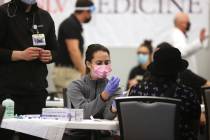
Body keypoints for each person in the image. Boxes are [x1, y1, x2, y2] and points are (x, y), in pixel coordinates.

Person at [0, 0, 57, 140]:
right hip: (8, 93)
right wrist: (19, 55)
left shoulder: (44, 16)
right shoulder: (3, 13)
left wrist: (49, 56)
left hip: (36, 93)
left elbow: (55, 50)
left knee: (35, 136)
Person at [129, 42, 201, 140]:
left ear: (154, 68)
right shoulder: (187, 94)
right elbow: (195, 127)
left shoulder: (136, 91)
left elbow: (132, 122)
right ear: (178, 71)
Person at [64, 44, 122, 140]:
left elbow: (107, 117)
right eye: (99, 63)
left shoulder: (115, 88)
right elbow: (84, 113)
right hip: (78, 136)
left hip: (104, 136)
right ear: (88, 64)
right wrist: (104, 96)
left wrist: (114, 108)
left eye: (107, 62)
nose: (104, 66)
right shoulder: (76, 86)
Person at [53, 0, 95, 94]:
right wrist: (84, 72)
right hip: (67, 73)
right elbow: (73, 51)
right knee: (69, 106)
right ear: (86, 11)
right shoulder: (71, 24)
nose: (91, 15)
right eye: (91, 12)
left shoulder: (73, 24)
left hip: (69, 72)